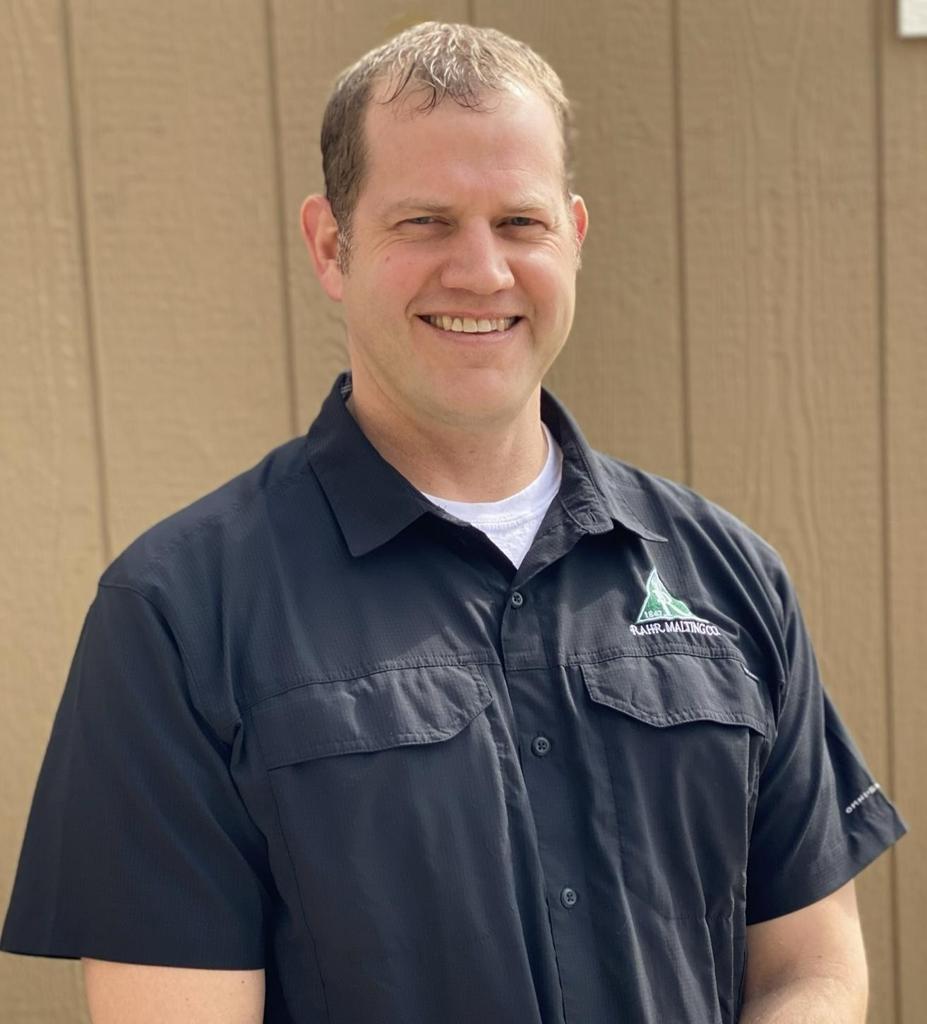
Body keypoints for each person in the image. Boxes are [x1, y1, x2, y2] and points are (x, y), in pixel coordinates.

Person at [1, 21, 906, 1024]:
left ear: (573, 236)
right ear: (331, 246)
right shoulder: (178, 615)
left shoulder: (729, 576)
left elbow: (811, 970)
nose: (481, 272)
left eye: (519, 222)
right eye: (425, 222)